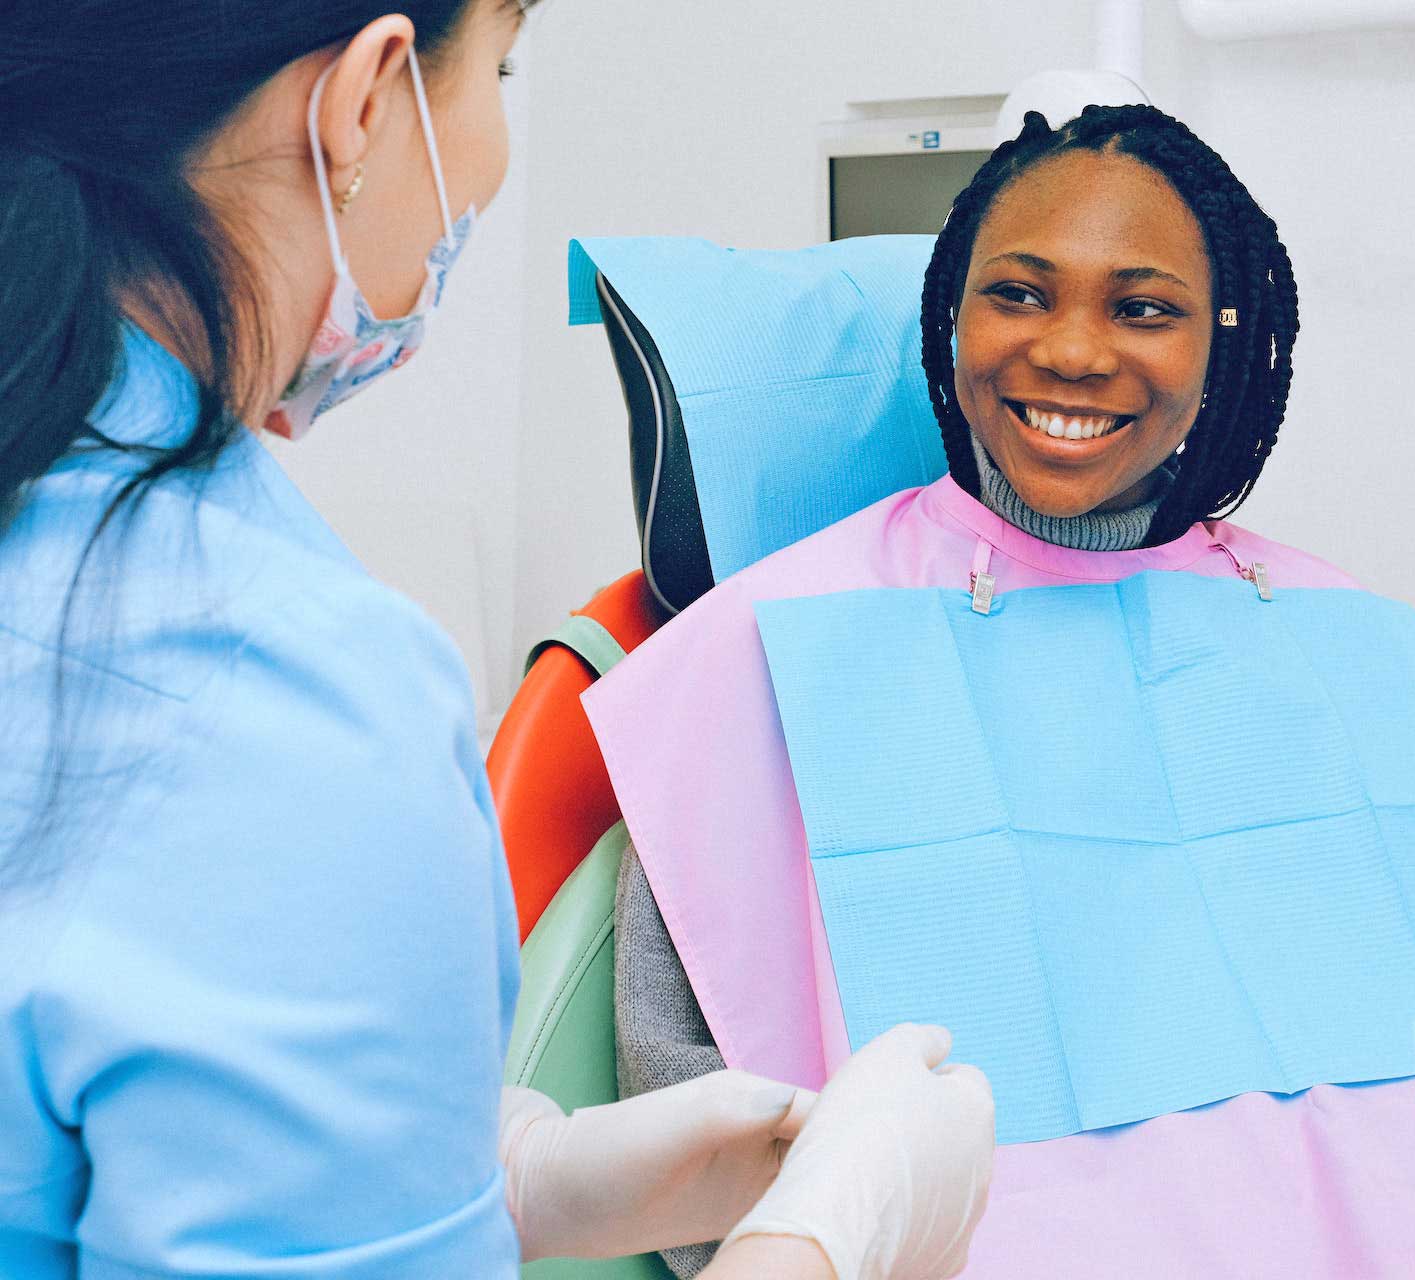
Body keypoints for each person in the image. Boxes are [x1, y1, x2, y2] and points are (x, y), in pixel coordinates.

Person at [0, 4, 993, 1277]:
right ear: (365, 99)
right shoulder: (287, 697)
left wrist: (489, 1175)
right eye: (503, 66)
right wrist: (820, 1241)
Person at [588, 105, 1415, 1277]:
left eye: (1143, 307)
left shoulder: (1336, 635)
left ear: (1223, 346)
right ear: (950, 319)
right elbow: (686, 1109)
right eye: (1022, 294)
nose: (1075, 352)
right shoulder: (767, 643)